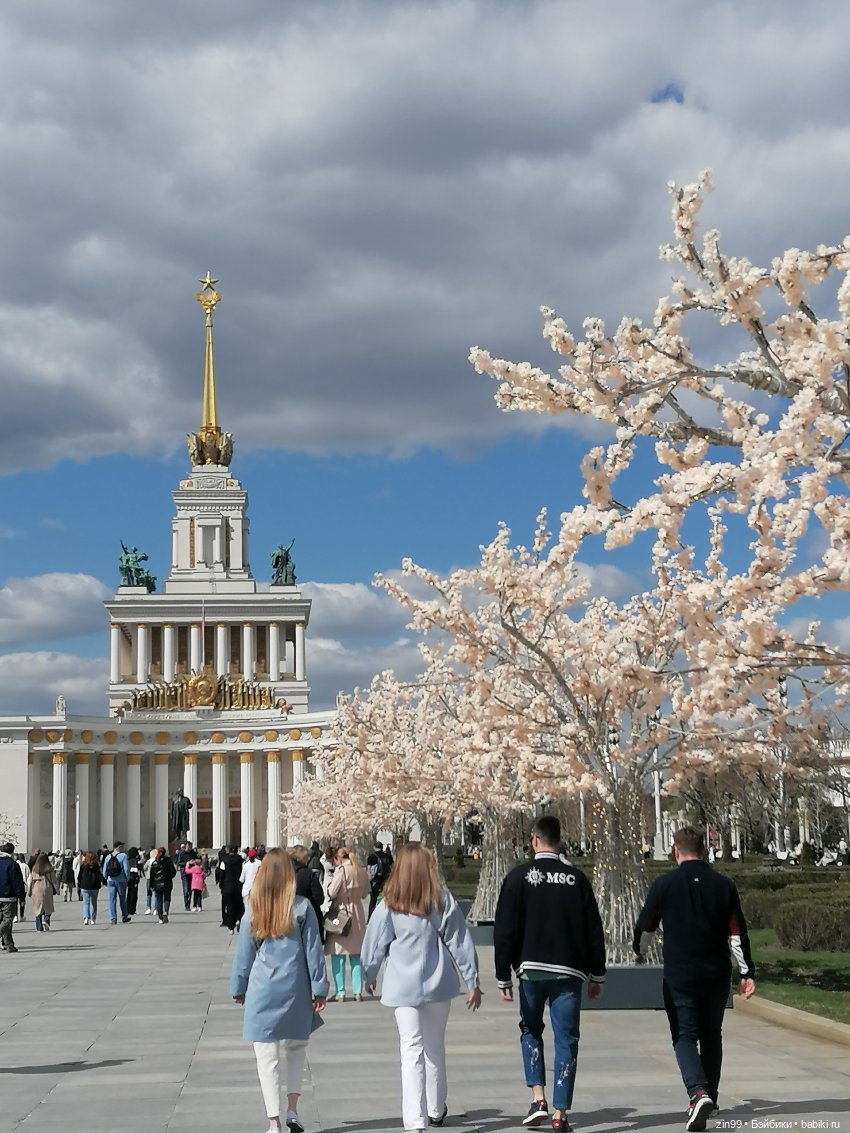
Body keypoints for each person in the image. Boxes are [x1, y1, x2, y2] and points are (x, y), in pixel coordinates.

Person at [633, 826, 756, 1132]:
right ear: (704, 850)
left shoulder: (664, 884)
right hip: (715, 974)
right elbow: (737, 933)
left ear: (676, 851)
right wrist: (747, 972)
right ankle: (710, 1096)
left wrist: (640, 952)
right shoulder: (723, 885)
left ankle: (697, 1092)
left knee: (685, 1035)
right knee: (712, 1034)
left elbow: (646, 927)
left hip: (680, 975)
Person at [494, 815, 606, 1132]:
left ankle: (538, 1097)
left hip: (531, 970)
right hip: (569, 971)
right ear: (559, 841)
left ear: (534, 840)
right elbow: (594, 930)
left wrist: (503, 976)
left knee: (531, 1029)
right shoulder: (576, 879)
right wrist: (598, 974)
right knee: (567, 1039)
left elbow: (504, 930)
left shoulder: (518, 878)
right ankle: (560, 1113)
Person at [362, 842, 481, 1133]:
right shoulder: (440, 898)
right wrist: (472, 979)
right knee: (434, 1047)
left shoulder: (389, 902)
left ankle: (415, 1120)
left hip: (402, 985)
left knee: (411, 1049)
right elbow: (459, 940)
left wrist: (369, 972)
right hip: (438, 982)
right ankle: (436, 1108)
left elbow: (376, 941)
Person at [230, 848, 328, 1133]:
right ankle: (293, 1110)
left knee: (266, 1057)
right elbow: (314, 952)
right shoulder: (301, 907)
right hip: (295, 986)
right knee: (296, 1050)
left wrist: (238, 987)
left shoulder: (253, 909)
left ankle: (273, 1122)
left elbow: (244, 956)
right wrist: (319, 989)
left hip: (263, 988)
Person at [324, 847, 369, 1002]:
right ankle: (357, 991)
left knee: (338, 954)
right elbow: (365, 894)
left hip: (341, 914)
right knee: (356, 954)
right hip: (357, 913)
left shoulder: (341, 871)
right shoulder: (360, 870)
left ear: (338, 858)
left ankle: (341, 991)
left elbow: (332, 892)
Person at [289, 846, 325, 939]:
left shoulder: (284, 873)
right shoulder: (308, 874)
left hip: (287, 916)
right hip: (309, 916)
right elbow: (319, 897)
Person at [0, 843, 25, 952]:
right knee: (8, 920)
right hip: (8, 897)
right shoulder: (13, 864)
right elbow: (17, 882)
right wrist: (21, 897)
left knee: (5, 921)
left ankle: (9, 944)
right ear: (12, 852)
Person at [102, 839, 131, 924]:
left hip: (111, 880)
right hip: (121, 880)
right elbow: (126, 869)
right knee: (122, 899)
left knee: (112, 900)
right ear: (119, 847)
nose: (123, 848)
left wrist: (106, 878)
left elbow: (104, 870)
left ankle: (113, 918)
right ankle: (124, 916)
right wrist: (127, 878)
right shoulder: (123, 856)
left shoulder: (108, 856)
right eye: (122, 846)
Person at [28, 852, 58, 932]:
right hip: (47, 888)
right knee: (48, 906)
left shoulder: (34, 869)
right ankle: (46, 920)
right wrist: (57, 890)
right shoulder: (49, 868)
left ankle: (39, 927)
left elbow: (31, 881)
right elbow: (54, 880)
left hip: (36, 889)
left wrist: (29, 891)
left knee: (37, 908)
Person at [219, 845, 246, 932]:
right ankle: (238, 920)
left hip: (228, 887)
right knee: (239, 906)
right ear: (237, 850)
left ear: (229, 851)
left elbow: (221, 875)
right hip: (238, 886)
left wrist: (221, 886)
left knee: (230, 907)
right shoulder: (241, 860)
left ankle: (231, 927)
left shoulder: (224, 861)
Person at [148, 847, 177, 922]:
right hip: (167, 882)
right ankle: (165, 912)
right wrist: (169, 877)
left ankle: (160, 917)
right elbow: (173, 872)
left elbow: (151, 875)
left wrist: (151, 885)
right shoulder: (168, 861)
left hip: (157, 883)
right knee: (167, 898)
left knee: (158, 900)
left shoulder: (154, 862)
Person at [78, 851, 103, 924]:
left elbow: (79, 876)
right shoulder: (96, 866)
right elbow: (99, 875)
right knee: (94, 903)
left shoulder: (83, 866)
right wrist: (103, 880)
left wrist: (79, 882)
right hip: (95, 886)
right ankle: (93, 919)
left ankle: (86, 918)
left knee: (86, 903)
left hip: (85, 886)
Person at [176, 841, 196, 911]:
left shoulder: (193, 853)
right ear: (185, 846)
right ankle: (186, 904)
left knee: (190, 889)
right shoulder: (182, 854)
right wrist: (187, 863)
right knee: (185, 889)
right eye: (188, 846)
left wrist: (194, 862)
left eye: (190, 846)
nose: (189, 848)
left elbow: (198, 861)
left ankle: (188, 904)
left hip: (192, 873)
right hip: (184, 873)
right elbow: (179, 863)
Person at [126, 847, 142, 915]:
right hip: (133, 878)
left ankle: (128, 908)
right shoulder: (134, 861)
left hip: (128, 878)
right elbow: (136, 870)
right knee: (134, 894)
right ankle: (132, 909)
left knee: (129, 894)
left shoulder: (127, 860)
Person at [15, 854, 30, 922]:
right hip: (24, 886)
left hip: (15, 886)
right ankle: (21, 915)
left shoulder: (14, 864)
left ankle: (15, 916)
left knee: (15, 901)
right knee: (22, 901)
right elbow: (29, 877)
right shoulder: (25, 866)